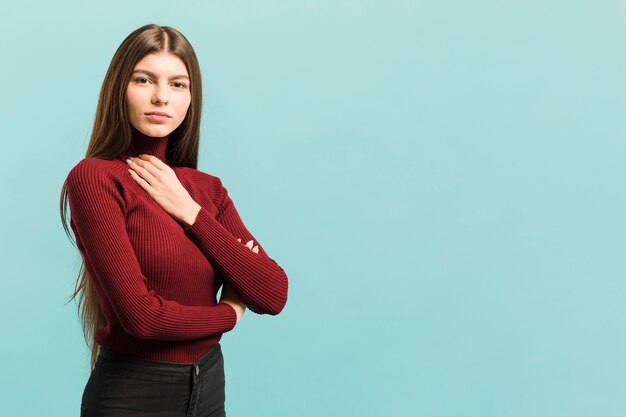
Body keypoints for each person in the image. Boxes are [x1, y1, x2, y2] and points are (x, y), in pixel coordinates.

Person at [59, 23, 289, 417]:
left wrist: (192, 214)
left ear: (191, 99)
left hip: (209, 386)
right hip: (133, 395)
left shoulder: (206, 191)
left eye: (178, 84)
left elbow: (272, 293)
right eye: (144, 79)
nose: (161, 96)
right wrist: (229, 313)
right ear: (120, 88)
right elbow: (142, 318)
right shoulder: (95, 178)